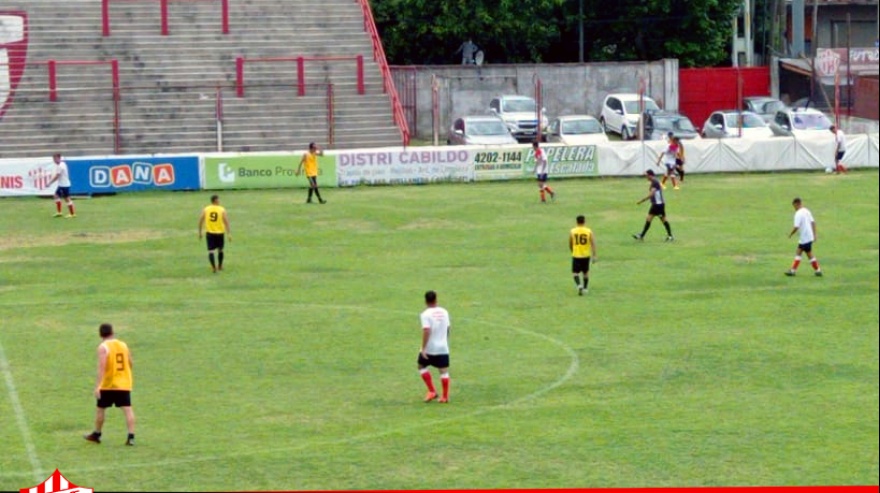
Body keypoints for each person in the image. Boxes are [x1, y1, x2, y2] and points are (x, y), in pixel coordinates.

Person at [84, 323, 136, 446]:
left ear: (100, 335)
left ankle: (97, 434)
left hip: (108, 384)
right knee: (127, 409)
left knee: (101, 409)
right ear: (112, 332)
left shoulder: (103, 347)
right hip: (123, 383)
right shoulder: (123, 345)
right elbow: (130, 363)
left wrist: (98, 386)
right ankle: (131, 437)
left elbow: (102, 367)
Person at [417, 290, 451, 403]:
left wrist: (423, 348)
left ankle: (432, 391)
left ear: (425, 301)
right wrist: (445, 340)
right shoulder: (444, 312)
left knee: (421, 366)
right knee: (444, 371)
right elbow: (448, 328)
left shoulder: (425, 314)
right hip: (443, 346)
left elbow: (426, 330)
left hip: (431, 347)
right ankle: (445, 397)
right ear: (436, 299)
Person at [633, 169, 674, 242]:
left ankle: (670, 236)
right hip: (656, 204)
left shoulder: (654, 182)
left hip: (658, 205)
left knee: (663, 220)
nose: (646, 177)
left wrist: (642, 200)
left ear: (650, 175)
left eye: (646, 175)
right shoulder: (654, 181)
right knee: (649, 219)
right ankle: (641, 235)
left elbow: (652, 194)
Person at [786, 197, 822, 277]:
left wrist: (790, 234)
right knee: (802, 252)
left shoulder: (798, 214)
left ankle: (793, 271)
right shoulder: (807, 211)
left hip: (805, 238)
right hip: (808, 237)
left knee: (806, 253)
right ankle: (817, 270)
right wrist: (814, 234)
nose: (794, 208)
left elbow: (796, 227)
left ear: (797, 204)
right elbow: (813, 222)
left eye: (794, 206)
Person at [198, 194, 231, 273]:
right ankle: (220, 266)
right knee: (220, 250)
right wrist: (229, 233)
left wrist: (200, 232)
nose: (219, 201)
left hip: (210, 233)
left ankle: (213, 267)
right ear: (215, 200)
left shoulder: (206, 209)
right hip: (220, 233)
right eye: (218, 199)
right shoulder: (221, 209)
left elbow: (200, 221)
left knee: (211, 251)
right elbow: (226, 222)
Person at [569, 215, 597, 296]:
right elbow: (593, 243)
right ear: (584, 221)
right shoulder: (588, 231)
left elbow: (570, 243)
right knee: (586, 272)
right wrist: (594, 255)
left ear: (576, 222)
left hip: (576, 255)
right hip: (586, 255)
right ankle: (585, 288)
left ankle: (579, 285)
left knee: (575, 273)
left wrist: (572, 251)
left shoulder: (573, 231)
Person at [45, 152, 76, 218]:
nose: (54, 160)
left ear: (58, 158)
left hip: (64, 185)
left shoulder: (60, 166)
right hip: (62, 184)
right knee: (56, 195)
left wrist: (49, 183)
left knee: (67, 199)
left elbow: (57, 176)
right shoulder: (62, 164)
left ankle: (72, 214)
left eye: (55, 158)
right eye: (53, 159)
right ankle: (59, 212)